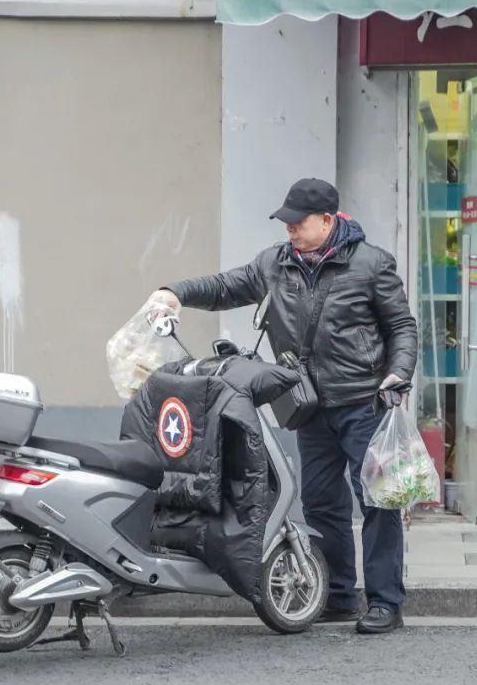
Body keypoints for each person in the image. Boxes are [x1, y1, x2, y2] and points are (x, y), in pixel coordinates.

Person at [147, 178, 418, 634]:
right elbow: (225, 286)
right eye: (286, 222)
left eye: (298, 222)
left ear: (328, 221)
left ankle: (386, 601)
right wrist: (175, 292)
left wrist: (400, 372)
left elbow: (401, 326)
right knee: (320, 503)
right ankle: (337, 595)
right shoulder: (274, 264)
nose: (289, 229)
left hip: (362, 401)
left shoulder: (372, 265)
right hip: (307, 403)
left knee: (377, 499)